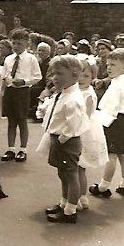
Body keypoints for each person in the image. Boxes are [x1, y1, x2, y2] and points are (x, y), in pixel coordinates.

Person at [37, 55, 88, 223]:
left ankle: (70, 211)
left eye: (60, 73)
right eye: (53, 73)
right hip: (58, 139)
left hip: (66, 141)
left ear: (74, 75)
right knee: (62, 174)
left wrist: (60, 141)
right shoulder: (62, 94)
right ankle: (64, 203)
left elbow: (72, 125)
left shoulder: (73, 99)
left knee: (71, 175)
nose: (54, 78)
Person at [1, 29, 42, 162]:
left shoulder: (31, 59)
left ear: (26, 43)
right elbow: (5, 74)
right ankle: (11, 149)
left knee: (22, 120)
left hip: (23, 92)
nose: (16, 46)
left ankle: (23, 150)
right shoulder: (8, 59)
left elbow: (37, 77)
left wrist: (24, 81)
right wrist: (7, 80)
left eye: (19, 43)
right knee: (11, 120)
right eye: (14, 43)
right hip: (10, 91)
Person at [89, 49, 124, 197]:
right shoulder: (118, 81)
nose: (109, 67)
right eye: (108, 64)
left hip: (115, 121)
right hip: (119, 119)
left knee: (111, 155)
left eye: (113, 64)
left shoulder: (119, 84)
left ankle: (103, 186)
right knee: (122, 155)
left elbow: (111, 107)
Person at [77, 59, 108, 210]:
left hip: (83, 132)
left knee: (78, 167)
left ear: (92, 78)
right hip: (77, 129)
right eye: (78, 75)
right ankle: (81, 197)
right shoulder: (77, 91)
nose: (81, 79)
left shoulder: (88, 94)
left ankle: (79, 197)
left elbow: (86, 117)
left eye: (86, 76)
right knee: (76, 168)